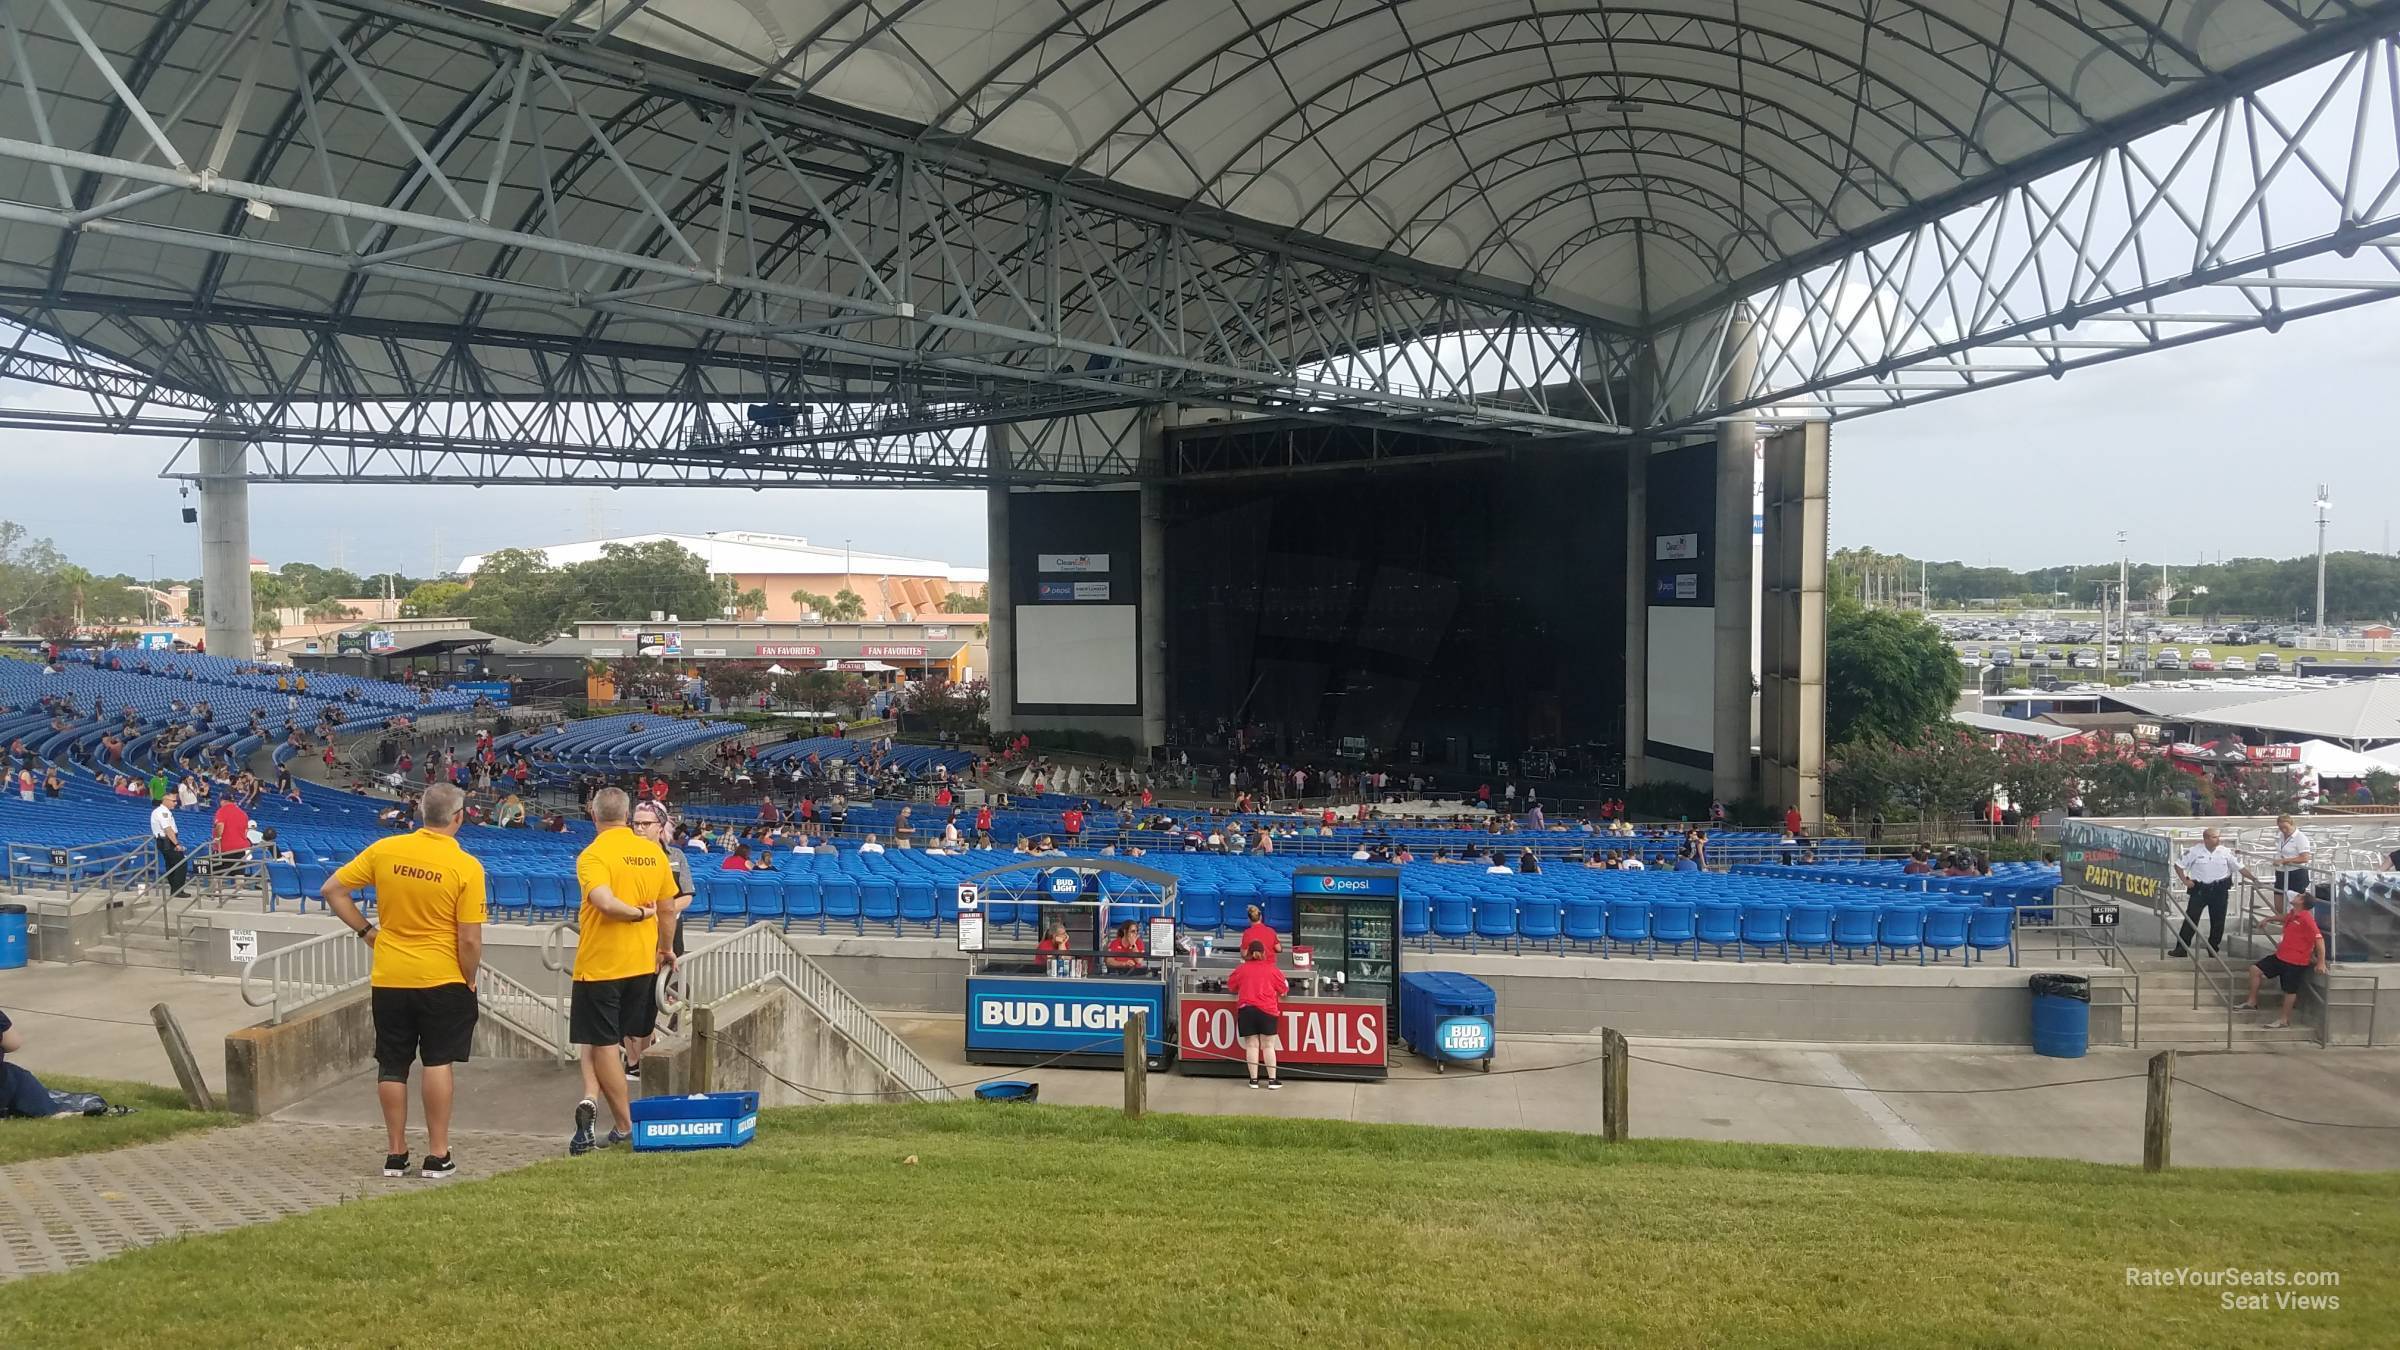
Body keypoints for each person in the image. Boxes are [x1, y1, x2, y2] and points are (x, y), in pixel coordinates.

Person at [320, 783, 486, 1179]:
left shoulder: (386, 850)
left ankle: (395, 1153)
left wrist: (367, 933)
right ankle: (438, 1154)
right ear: (459, 817)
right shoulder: (466, 867)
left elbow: (333, 889)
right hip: (441, 977)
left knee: (392, 1063)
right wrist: (469, 977)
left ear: (421, 814)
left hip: (390, 976)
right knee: (437, 1061)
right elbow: (469, 938)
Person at [568, 788, 679, 1157]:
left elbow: (604, 902)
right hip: (641, 964)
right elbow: (668, 909)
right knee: (612, 1041)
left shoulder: (594, 854)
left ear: (593, 813)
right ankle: (594, 1101)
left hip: (601, 964)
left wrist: (636, 913)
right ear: (628, 814)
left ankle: (622, 1123)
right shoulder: (653, 852)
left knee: (601, 1045)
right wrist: (665, 949)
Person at [624, 803, 694, 1082]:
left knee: (655, 999)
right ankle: (633, 1060)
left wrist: (664, 907)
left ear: (660, 826)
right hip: (633, 936)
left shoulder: (675, 856)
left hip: (666, 938)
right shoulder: (626, 856)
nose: (639, 828)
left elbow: (687, 894)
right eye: (636, 823)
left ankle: (643, 1054)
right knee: (634, 1000)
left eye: (646, 824)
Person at [2242, 893, 2328, 1028]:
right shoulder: (2293, 913)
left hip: (2296, 961)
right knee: (2255, 969)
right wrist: (2269, 919)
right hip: (2281, 956)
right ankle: (2252, 1002)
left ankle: (2284, 1019)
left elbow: (2319, 939)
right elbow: (2284, 918)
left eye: (2299, 896)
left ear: (2302, 902)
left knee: (2289, 990)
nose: (2295, 896)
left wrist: (2320, 962)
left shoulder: (2306, 918)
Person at [2171, 827, 2257, 959]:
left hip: (2219, 889)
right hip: (2200, 889)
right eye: (2214, 837)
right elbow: (2178, 865)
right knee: (2191, 919)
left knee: (2218, 921)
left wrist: (2254, 879)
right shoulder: (2195, 851)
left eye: (2218, 837)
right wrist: (2185, 881)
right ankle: (2181, 948)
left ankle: (2213, 949)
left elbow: (2240, 868)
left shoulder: (2225, 852)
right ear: (2205, 839)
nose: (2218, 839)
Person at [1227, 940, 1287, 1090]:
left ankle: (1253, 1080)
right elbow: (1284, 989)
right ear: (1264, 953)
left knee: (1251, 1045)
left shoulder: (1242, 969)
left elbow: (1231, 986)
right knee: (1268, 1046)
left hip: (1247, 1010)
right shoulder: (1272, 969)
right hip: (1267, 1010)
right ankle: (1272, 1080)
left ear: (1248, 953)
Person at [2269, 814, 2312, 914]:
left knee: (2295, 903)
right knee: (2278, 902)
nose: (2283, 830)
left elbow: (2305, 857)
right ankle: (2283, 922)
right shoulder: (2281, 836)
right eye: (2280, 828)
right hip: (2281, 872)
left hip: (2296, 873)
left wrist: (2286, 860)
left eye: (2285, 827)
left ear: (2292, 824)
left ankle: (2295, 923)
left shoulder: (2300, 837)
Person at [150, 794, 187, 897]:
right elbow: (167, 829)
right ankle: (177, 890)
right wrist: (177, 844)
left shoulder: (163, 811)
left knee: (171, 865)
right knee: (181, 863)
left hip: (165, 841)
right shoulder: (163, 812)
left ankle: (175, 890)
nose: (175, 803)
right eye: (173, 801)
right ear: (165, 800)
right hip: (167, 841)